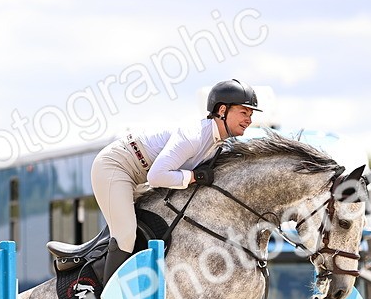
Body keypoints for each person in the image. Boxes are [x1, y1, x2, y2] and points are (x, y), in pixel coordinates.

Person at [91, 79, 261, 286]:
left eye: (251, 115)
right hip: (116, 166)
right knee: (126, 235)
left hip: (138, 175)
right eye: (244, 112)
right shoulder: (194, 135)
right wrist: (194, 177)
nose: (249, 120)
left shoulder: (216, 145)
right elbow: (157, 176)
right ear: (222, 110)